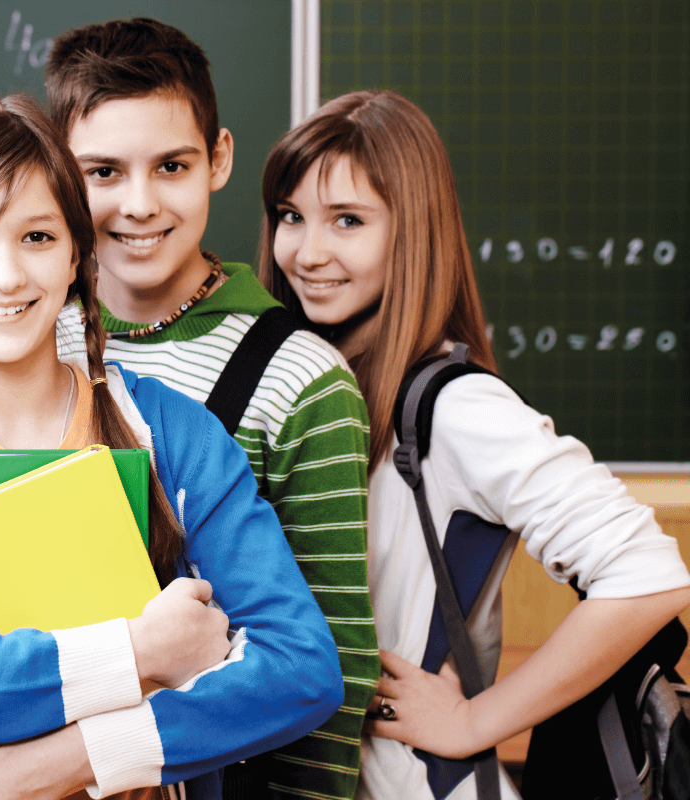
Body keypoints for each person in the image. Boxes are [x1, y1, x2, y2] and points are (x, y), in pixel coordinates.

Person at [0, 92, 343, 800]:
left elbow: (299, 669)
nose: (6, 276)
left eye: (37, 237)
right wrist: (140, 651)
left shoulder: (173, 434)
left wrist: (73, 757)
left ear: (75, 257)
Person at [257, 88, 690, 800]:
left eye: (348, 220)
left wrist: (472, 720)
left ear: (412, 232)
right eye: (291, 217)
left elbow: (646, 573)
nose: (308, 252)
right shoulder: (312, 390)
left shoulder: (454, 406)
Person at [44, 18, 378, 799]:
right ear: (59, 172)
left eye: (171, 165)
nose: (139, 203)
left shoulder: (300, 377)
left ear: (219, 158)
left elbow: (331, 659)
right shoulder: (21, 339)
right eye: (102, 171)